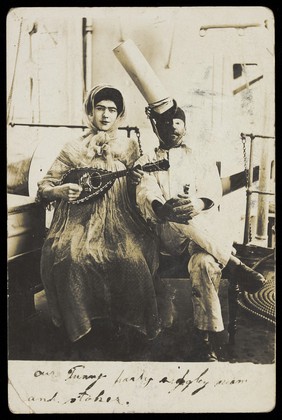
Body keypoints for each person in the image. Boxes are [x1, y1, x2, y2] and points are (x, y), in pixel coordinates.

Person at [36, 85, 165, 352]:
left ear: (119, 115)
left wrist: (136, 180)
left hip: (121, 219)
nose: (106, 115)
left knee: (130, 258)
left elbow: (140, 189)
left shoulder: (129, 147)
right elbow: (44, 186)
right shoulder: (73, 147)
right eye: (100, 108)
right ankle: (81, 328)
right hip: (77, 222)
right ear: (90, 111)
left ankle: (124, 324)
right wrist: (59, 190)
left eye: (112, 110)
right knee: (70, 258)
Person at [135, 102, 267, 362]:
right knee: (176, 214)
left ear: (184, 127)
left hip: (203, 240)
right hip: (168, 237)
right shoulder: (147, 160)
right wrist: (162, 207)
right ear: (156, 127)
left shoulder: (198, 156)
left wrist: (196, 203)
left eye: (178, 122)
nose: (173, 127)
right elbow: (144, 193)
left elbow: (212, 191)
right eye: (166, 123)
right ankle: (234, 263)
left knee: (204, 265)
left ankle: (206, 340)